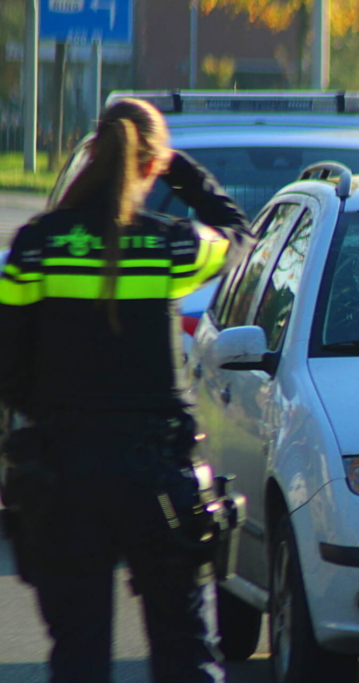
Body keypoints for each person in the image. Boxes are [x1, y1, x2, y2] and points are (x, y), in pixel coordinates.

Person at [0, 98, 253, 682]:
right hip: (157, 480)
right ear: (151, 163)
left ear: (94, 151)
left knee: (79, 654)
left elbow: (7, 360)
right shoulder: (172, 244)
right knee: (185, 651)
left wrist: (46, 417)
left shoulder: (35, 245)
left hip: (62, 476)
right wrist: (183, 172)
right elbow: (240, 238)